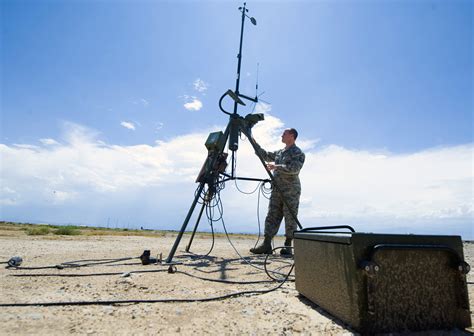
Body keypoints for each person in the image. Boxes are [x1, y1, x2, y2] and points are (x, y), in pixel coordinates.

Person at [250, 128, 305, 255]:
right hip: (277, 189)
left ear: (292, 136)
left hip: (291, 190)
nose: (282, 135)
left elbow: (294, 169)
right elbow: (265, 155)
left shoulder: (298, 153)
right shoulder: (280, 153)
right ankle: (266, 244)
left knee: (290, 216)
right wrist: (253, 141)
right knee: (272, 215)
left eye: (284, 133)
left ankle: (287, 246)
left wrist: (277, 166)